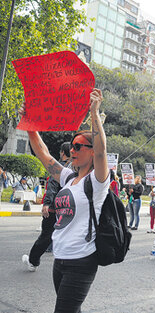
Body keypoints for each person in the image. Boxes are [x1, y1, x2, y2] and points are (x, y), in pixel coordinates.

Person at [21, 88, 109, 312]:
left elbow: (101, 152)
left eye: (78, 146)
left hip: (81, 261)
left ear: (90, 151)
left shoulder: (97, 181)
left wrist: (94, 113)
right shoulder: (69, 178)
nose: (73, 150)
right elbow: (44, 155)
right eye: (72, 146)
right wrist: (30, 126)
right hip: (60, 259)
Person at [22, 141, 71, 271]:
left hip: (55, 208)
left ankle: (33, 261)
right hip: (69, 209)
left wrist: (47, 203)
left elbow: (52, 186)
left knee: (46, 236)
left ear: (62, 153)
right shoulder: (77, 168)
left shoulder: (60, 168)